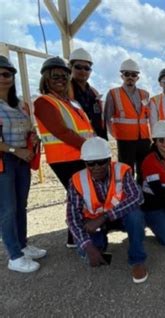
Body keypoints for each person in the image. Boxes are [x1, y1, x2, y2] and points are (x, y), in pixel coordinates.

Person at [67, 137, 148, 284]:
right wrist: (88, 247)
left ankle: (137, 259)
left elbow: (137, 197)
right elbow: (72, 217)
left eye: (102, 162)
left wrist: (105, 216)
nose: (96, 167)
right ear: (85, 163)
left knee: (136, 215)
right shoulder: (76, 180)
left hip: (119, 217)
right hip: (94, 224)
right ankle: (99, 245)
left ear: (109, 159)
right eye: (91, 163)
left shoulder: (121, 170)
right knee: (84, 251)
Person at [34, 56, 95, 248]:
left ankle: (74, 235)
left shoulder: (70, 102)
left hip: (81, 156)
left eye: (63, 76)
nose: (60, 80)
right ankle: (77, 237)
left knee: (78, 197)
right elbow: (60, 131)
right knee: (78, 197)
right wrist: (89, 147)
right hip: (65, 159)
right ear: (46, 79)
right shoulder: (44, 102)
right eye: (55, 77)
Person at [0, 56, 46, 273]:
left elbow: (29, 129)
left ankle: (23, 245)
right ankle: (14, 256)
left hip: (22, 160)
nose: (2, 78)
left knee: (21, 205)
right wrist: (14, 150)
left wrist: (32, 138)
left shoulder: (21, 105)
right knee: (7, 209)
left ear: (13, 78)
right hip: (4, 161)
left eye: (6, 74)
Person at [104, 58, 150, 180]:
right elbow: (107, 117)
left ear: (137, 78)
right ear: (122, 76)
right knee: (126, 170)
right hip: (125, 140)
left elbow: (148, 115)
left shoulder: (145, 94)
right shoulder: (113, 93)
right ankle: (129, 195)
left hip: (144, 139)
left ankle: (143, 194)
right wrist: (114, 134)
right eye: (127, 74)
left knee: (144, 170)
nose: (130, 77)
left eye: (133, 74)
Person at [68, 48, 107, 139]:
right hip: (77, 140)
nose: (83, 71)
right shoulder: (66, 91)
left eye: (87, 68)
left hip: (97, 139)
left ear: (90, 71)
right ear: (70, 68)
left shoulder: (93, 92)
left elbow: (99, 118)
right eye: (78, 67)